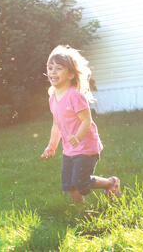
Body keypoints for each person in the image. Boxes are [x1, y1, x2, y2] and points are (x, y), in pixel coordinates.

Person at [41, 45, 121, 203]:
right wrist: (51, 146)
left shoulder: (75, 96)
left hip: (85, 146)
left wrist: (77, 137)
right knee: (69, 185)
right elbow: (56, 124)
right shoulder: (53, 98)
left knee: (80, 181)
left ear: (71, 74)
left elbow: (86, 120)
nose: (52, 72)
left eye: (58, 68)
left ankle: (110, 183)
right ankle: (81, 213)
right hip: (69, 149)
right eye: (50, 68)